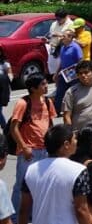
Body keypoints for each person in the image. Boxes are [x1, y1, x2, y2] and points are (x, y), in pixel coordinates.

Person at [18, 124, 90, 224]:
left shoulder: (31, 170)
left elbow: (23, 210)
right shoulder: (79, 171)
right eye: (74, 139)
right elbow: (81, 210)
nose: (77, 142)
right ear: (66, 144)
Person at [9, 74, 55, 224]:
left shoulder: (48, 102)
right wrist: (24, 147)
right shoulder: (23, 103)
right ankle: (15, 217)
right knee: (22, 185)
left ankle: (31, 215)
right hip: (29, 151)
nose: (46, 86)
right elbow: (13, 128)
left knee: (40, 184)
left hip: (45, 150)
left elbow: (50, 124)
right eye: (42, 84)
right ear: (33, 88)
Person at [54, 29, 82, 116]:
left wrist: (74, 71)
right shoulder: (63, 47)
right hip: (63, 74)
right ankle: (56, 111)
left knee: (73, 94)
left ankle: (75, 111)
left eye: (64, 36)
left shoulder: (75, 47)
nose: (62, 38)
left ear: (70, 37)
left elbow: (80, 61)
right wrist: (56, 73)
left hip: (73, 75)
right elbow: (61, 61)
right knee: (59, 93)